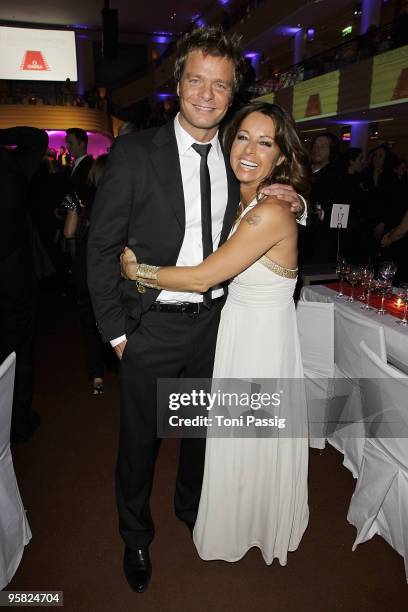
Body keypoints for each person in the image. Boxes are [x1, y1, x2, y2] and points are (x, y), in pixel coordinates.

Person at [87, 26, 306, 594]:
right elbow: (101, 249)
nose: (207, 95)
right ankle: (135, 533)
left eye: (221, 85)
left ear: (232, 94)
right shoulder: (136, 153)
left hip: (216, 324)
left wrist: (298, 197)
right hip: (149, 326)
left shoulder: (238, 158)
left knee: (201, 432)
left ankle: (192, 506)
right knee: (141, 441)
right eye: (196, 80)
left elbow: (273, 201)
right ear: (178, 84)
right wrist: (115, 334)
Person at [120, 101, 310, 566]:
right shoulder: (242, 196)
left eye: (265, 143)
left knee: (246, 438)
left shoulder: (270, 212)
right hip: (230, 332)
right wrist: (301, 200)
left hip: (259, 342)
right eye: (243, 137)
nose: (249, 149)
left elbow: (205, 276)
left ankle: (247, 521)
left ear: (280, 157)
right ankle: (157, 530)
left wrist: (137, 270)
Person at [0, 127, 48, 442]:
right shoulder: (10, 165)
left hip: (13, 281)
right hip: (13, 282)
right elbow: (37, 138)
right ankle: (18, 423)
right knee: (19, 356)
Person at [63, 155, 108, 394]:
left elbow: (69, 232)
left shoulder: (77, 196)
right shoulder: (117, 196)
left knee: (89, 322)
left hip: (85, 266)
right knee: (117, 318)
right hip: (112, 267)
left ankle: (97, 378)